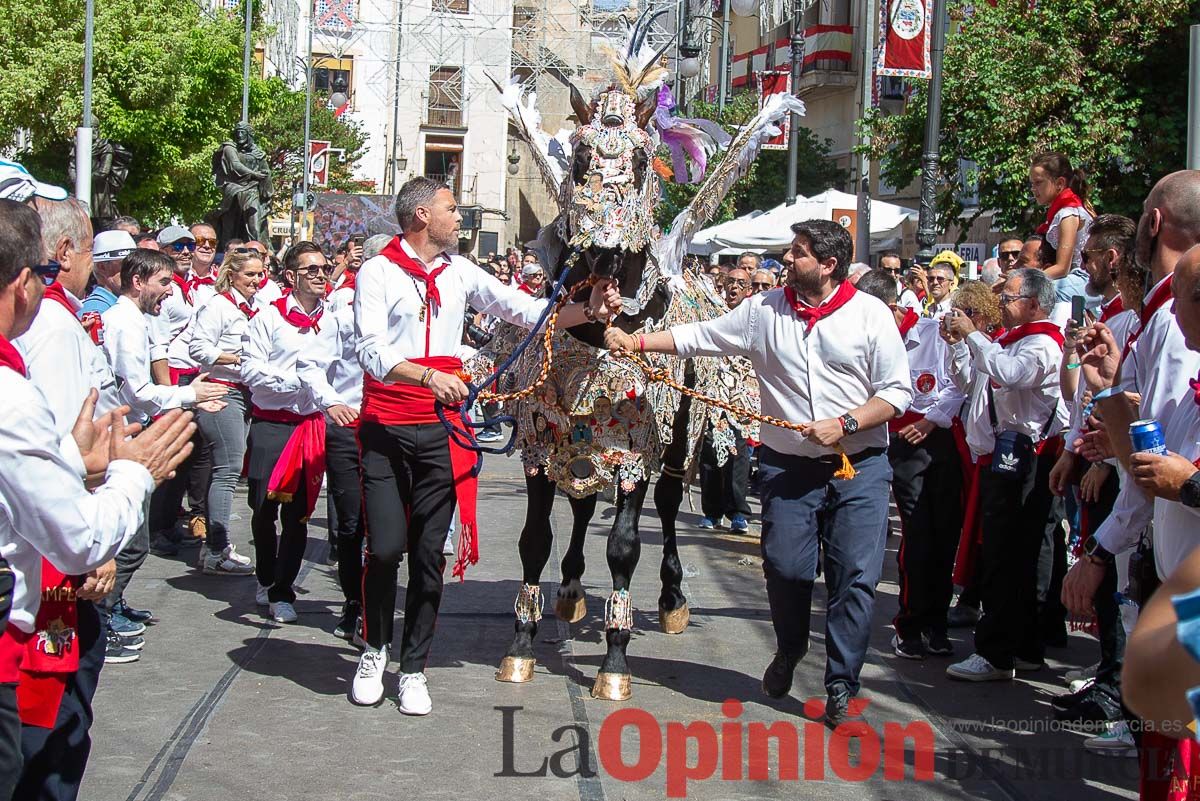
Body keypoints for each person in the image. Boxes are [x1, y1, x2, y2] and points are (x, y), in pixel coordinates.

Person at [603, 219, 912, 726]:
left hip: (859, 467)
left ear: (829, 265)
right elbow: (699, 336)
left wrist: (846, 423)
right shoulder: (762, 311)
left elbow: (898, 391)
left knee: (853, 578)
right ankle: (790, 649)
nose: (786, 261)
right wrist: (636, 344)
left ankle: (840, 685)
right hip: (789, 466)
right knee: (786, 568)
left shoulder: (870, 315)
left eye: (799, 253)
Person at [349, 177, 619, 714]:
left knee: (429, 552)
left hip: (442, 429)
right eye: (452, 209)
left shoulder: (460, 272)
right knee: (383, 549)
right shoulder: (377, 272)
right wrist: (426, 378)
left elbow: (525, 311)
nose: (459, 218)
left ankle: (414, 668)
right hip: (387, 424)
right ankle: (374, 649)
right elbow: (369, 349)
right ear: (422, 216)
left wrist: (586, 309)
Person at [0, 198, 194, 801]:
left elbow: (41, 453)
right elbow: (72, 528)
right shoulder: (48, 335)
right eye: (81, 254)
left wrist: (73, 461)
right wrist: (127, 475)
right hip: (47, 577)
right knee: (51, 732)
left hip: (49, 545)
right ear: (29, 277)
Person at [943, 268, 1065, 681]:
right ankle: (1020, 646)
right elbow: (976, 381)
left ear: (1033, 304)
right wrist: (963, 344)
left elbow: (1010, 374)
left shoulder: (1042, 344)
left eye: (1009, 297)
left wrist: (973, 336)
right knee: (1006, 556)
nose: (1002, 305)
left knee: (1007, 557)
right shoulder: (1011, 342)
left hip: (1025, 460)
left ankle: (997, 652)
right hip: (1003, 458)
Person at [1045, 214, 1140, 728]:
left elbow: (1133, 400)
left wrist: (1104, 460)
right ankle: (1111, 678)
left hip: (1118, 467)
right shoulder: (1112, 314)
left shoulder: (1139, 317)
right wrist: (1072, 450)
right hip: (1094, 454)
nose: (1082, 267)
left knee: (1121, 579)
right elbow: (1079, 394)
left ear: (1113, 257)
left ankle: (1123, 690)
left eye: (1088, 257)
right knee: (1109, 584)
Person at [856, 269, 964, 660]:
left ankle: (937, 622)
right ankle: (911, 623)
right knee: (917, 534)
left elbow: (958, 381)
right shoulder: (864, 338)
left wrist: (930, 418)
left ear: (892, 308)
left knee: (944, 533)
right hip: (899, 444)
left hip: (939, 439)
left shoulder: (933, 332)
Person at [240, 242, 331, 625]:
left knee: (297, 514)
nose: (320, 276)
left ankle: (282, 589)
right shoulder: (267, 319)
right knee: (263, 509)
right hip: (272, 423)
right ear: (291, 277)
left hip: (310, 427)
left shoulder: (337, 319)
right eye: (311, 270)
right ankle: (265, 575)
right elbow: (250, 370)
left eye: (325, 269)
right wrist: (299, 382)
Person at [296, 250, 367, 641]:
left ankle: (376, 601)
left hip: (393, 429)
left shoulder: (412, 318)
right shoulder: (342, 319)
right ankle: (354, 603)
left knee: (388, 529)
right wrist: (331, 400)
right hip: (349, 426)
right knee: (350, 525)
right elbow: (310, 364)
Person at [188, 251, 265, 576]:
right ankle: (217, 549)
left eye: (261, 274)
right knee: (228, 468)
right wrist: (238, 359)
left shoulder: (254, 307)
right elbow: (197, 347)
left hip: (244, 393)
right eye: (250, 275)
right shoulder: (218, 306)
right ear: (231, 275)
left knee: (231, 467)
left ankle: (215, 547)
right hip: (221, 391)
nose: (257, 281)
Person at [941, 281, 1004, 631]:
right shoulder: (979, 344)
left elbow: (1001, 374)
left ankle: (980, 605)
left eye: (964, 313)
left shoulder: (998, 343)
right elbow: (967, 384)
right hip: (979, 448)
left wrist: (971, 339)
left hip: (998, 452)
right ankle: (971, 598)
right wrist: (957, 346)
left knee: (988, 536)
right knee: (976, 530)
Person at [697, 266, 754, 532]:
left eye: (741, 284)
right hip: (712, 396)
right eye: (730, 281)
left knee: (738, 454)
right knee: (709, 452)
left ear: (748, 290)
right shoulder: (711, 313)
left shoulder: (754, 317)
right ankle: (712, 511)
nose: (734, 287)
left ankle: (738, 511)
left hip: (741, 399)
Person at [1030, 152, 1094, 299]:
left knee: (1027, 294)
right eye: (1032, 184)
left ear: (1059, 183)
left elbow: (1062, 268)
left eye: (1038, 182)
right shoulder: (1062, 211)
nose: (1033, 189)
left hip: (1084, 280)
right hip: (1075, 280)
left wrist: (1024, 279)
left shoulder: (1068, 214)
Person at [81, 230, 136, 317]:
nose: (135, 270)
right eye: (126, 264)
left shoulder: (123, 304)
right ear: (101, 267)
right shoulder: (96, 311)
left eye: (136, 264)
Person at [922, 251, 962, 320]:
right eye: (931, 278)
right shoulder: (928, 309)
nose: (935, 282)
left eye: (940, 279)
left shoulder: (955, 311)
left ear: (951, 284)